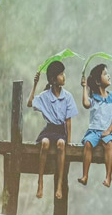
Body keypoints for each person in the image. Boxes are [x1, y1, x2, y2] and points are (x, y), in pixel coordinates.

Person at [28, 61, 78, 201]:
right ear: (53, 79)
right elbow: (30, 103)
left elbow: (68, 121)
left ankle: (59, 184)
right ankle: (40, 181)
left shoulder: (68, 96)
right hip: (49, 130)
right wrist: (35, 84)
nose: (64, 76)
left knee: (61, 144)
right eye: (61, 74)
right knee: (44, 143)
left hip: (60, 131)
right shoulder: (45, 95)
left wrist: (68, 141)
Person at [79, 64, 112, 188]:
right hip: (93, 131)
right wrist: (84, 88)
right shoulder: (93, 97)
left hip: (107, 131)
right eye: (105, 74)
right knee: (88, 144)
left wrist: (109, 130)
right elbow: (86, 104)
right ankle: (85, 175)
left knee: (108, 144)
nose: (108, 75)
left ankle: (108, 177)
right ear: (98, 81)